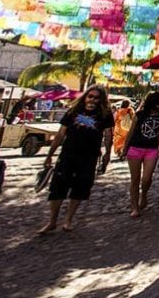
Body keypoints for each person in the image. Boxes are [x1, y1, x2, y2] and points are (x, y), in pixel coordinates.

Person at [38, 86, 114, 234]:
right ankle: (52, 221)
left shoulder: (105, 115)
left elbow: (108, 135)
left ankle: (68, 219)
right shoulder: (73, 112)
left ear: (101, 100)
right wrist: (49, 154)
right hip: (67, 155)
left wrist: (107, 154)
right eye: (90, 96)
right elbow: (60, 134)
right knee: (58, 188)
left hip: (89, 157)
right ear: (85, 97)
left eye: (96, 97)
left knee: (80, 188)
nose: (92, 100)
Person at [124, 92, 159, 218]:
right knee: (135, 179)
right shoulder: (139, 115)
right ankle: (134, 207)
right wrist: (124, 148)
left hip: (152, 149)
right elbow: (131, 133)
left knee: (146, 178)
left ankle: (143, 194)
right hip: (135, 148)